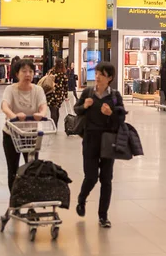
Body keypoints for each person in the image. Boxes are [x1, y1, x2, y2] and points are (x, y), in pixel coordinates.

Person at [74, 62, 125, 228]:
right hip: (90, 139)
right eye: (96, 73)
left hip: (108, 141)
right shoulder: (88, 92)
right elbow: (77, 110)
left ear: (109, 78)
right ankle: (81, 199)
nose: (97, 77)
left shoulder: (115, 96)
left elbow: (121, 119)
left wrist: (111, 114)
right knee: (90, 176)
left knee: (106, 179)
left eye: (101, 74)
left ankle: (103, 216)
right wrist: (84, 106)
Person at [0, 59, 48, 191]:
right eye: (24, 71)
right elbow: (5, 106)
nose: (28, 74)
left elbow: (43, 106)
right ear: (17, 74)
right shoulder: (10, 89)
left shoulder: (38, 90)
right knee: (13, 170)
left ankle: (30, 201)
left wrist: (42, 114)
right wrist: (13, 116)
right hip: (12, 134)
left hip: (31, 134)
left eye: (31, 71)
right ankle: (14, 202)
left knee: (32, 168)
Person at [46, 59, 69, 127]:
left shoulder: (52, 72)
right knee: (57, 110)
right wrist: (66, 96)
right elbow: (66, 86)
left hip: (51, 93)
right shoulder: (64, 74)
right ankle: (56, 126)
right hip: (59, 95)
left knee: (52, 110)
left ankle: (54, 126)